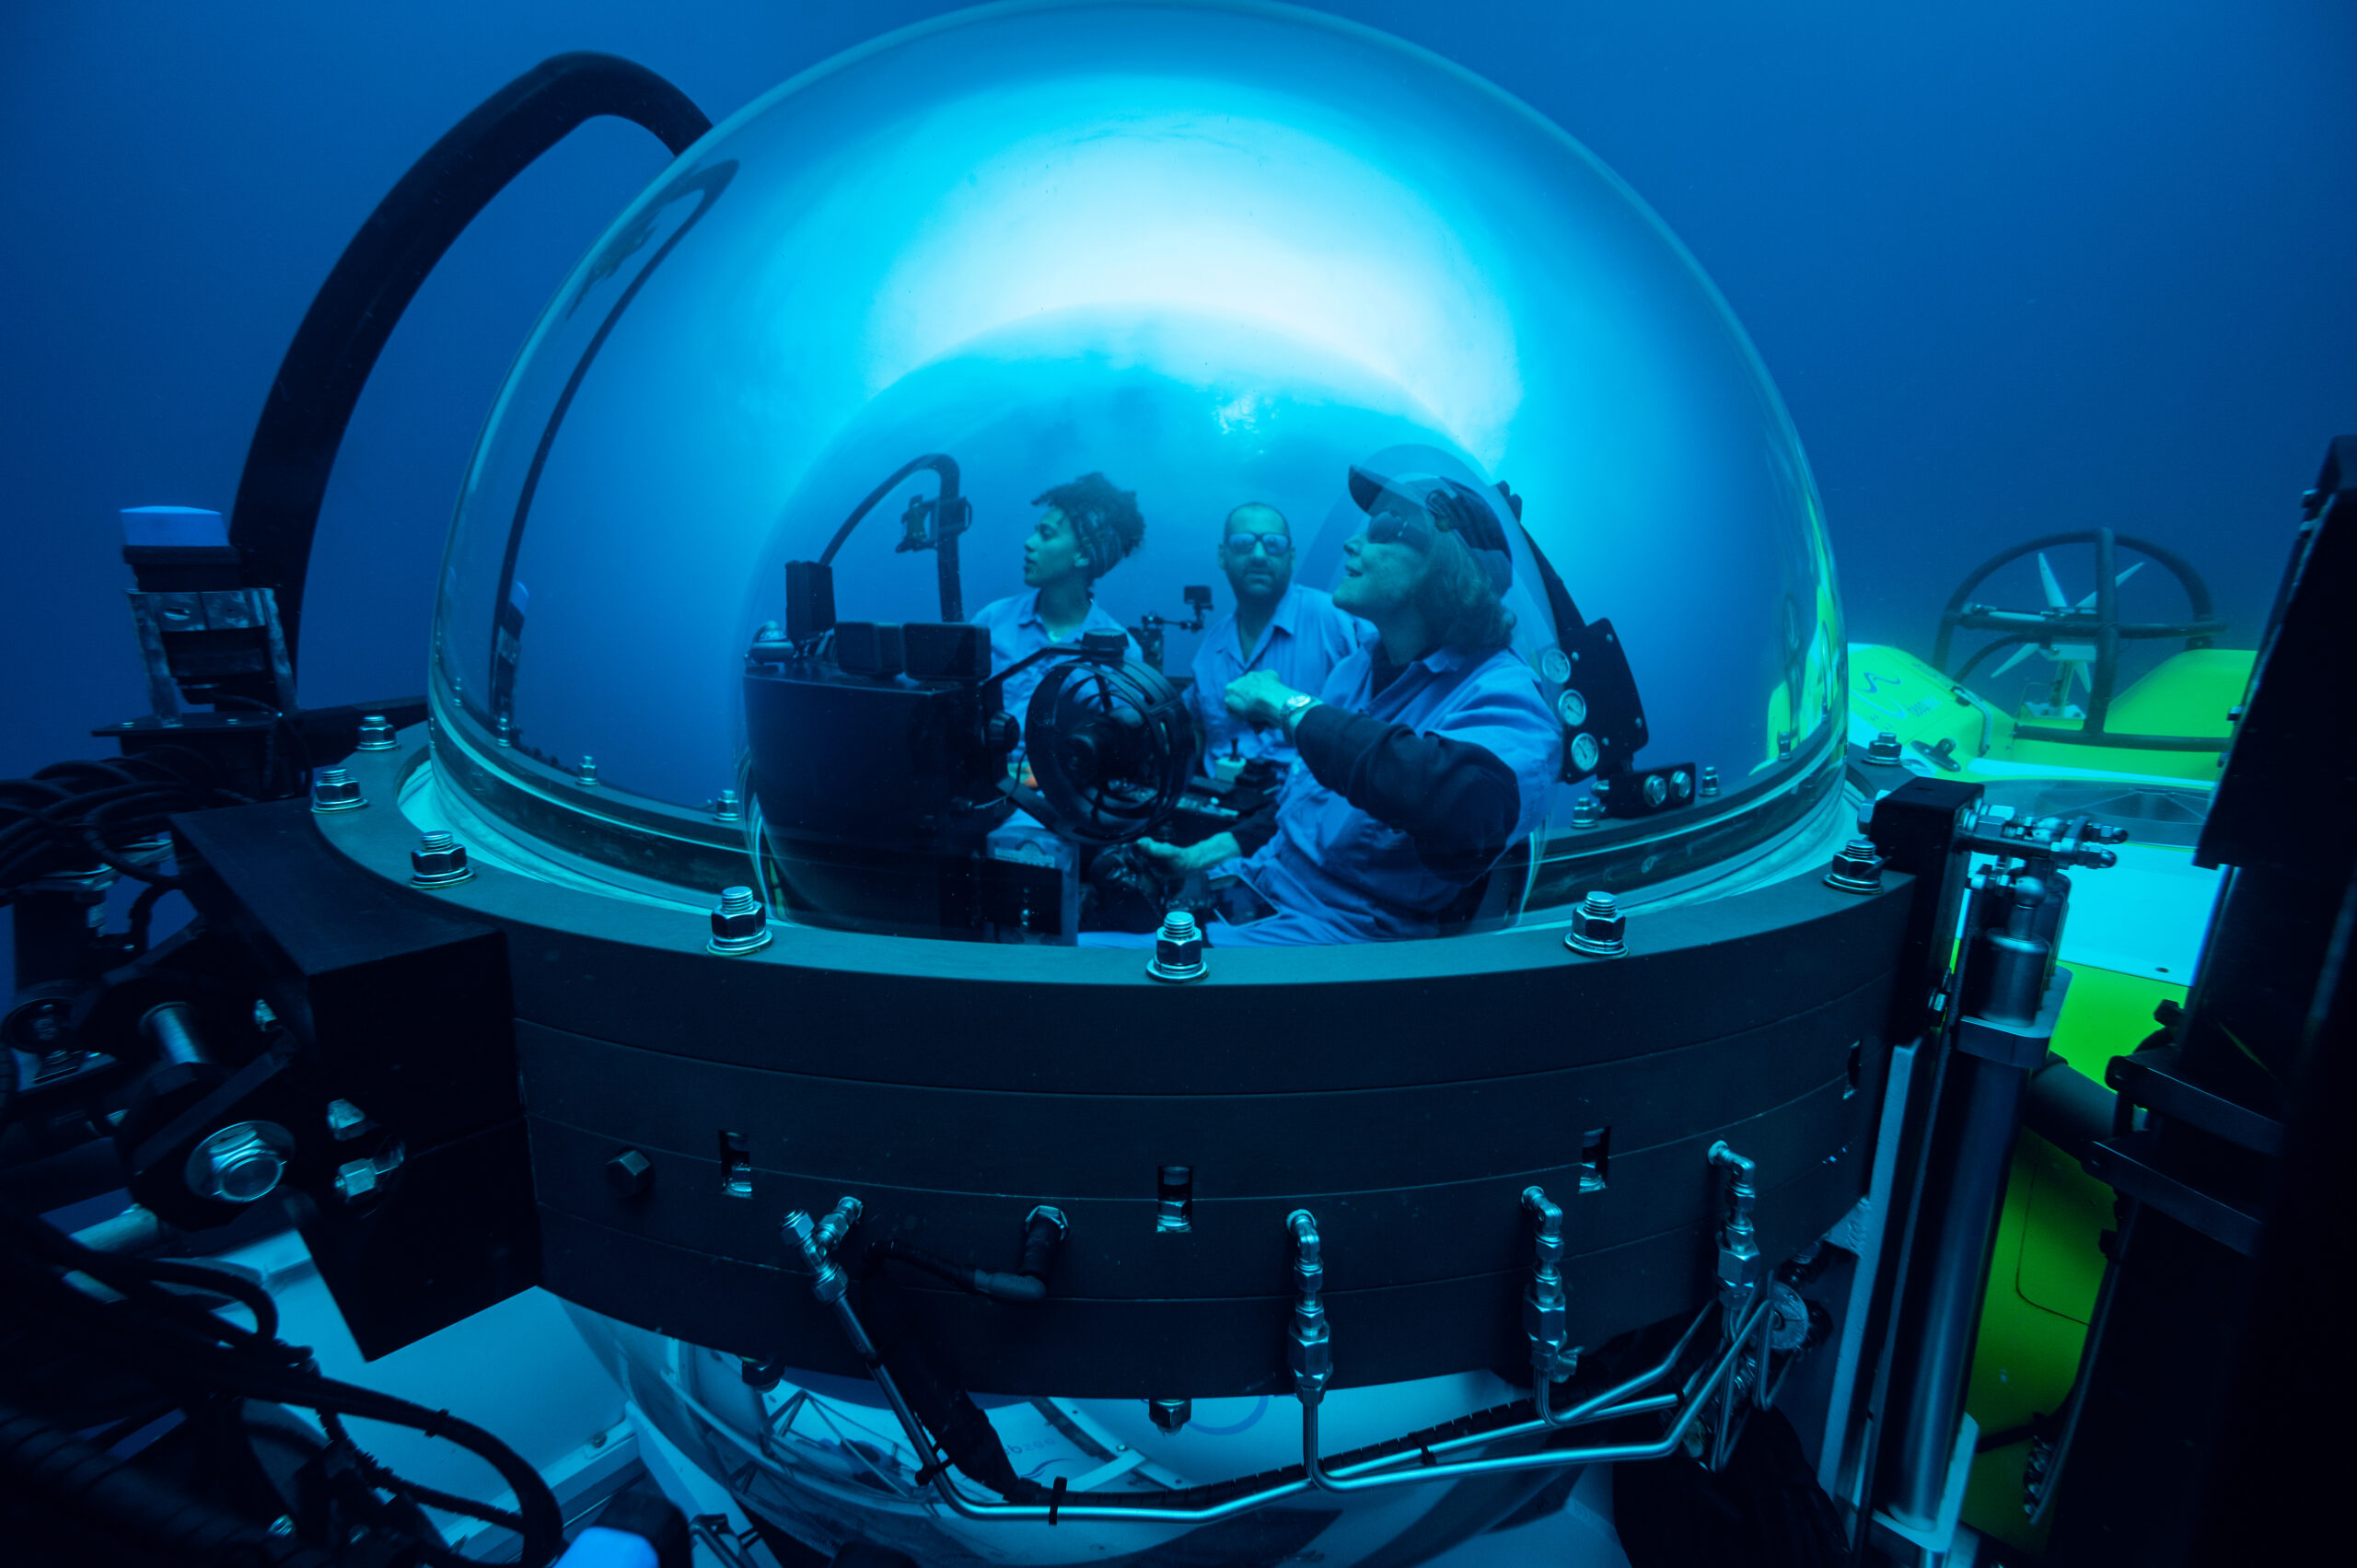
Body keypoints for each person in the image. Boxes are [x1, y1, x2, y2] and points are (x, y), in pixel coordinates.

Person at [1136, 464, 1560, 944]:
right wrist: (1199, 857)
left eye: (1383, 530)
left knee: (1097, 967)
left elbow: (1469, 803)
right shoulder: (1354, 670)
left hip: (1334, 933)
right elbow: (1302, 808)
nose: (1351, 544)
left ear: (1448, 562)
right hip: (1253, 887)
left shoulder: (1503, 691)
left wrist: (1287, 705)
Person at [1187, 501, 1369, 774]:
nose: (1259, 555)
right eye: (1243, 543)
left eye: (1273, 543)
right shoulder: (1212, 647)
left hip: (1305, 809)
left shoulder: (1338, 621)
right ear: (1222, 555)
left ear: (1291, 556)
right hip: (1219, 807)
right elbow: (1196, 727)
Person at [968, 473, 1147, 728]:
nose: (1029, 544)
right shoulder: (991, 620)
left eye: (1046, 534)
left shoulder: (1124, 650)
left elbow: (1122, 740)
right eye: (1035, 533)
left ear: (1083, 555)